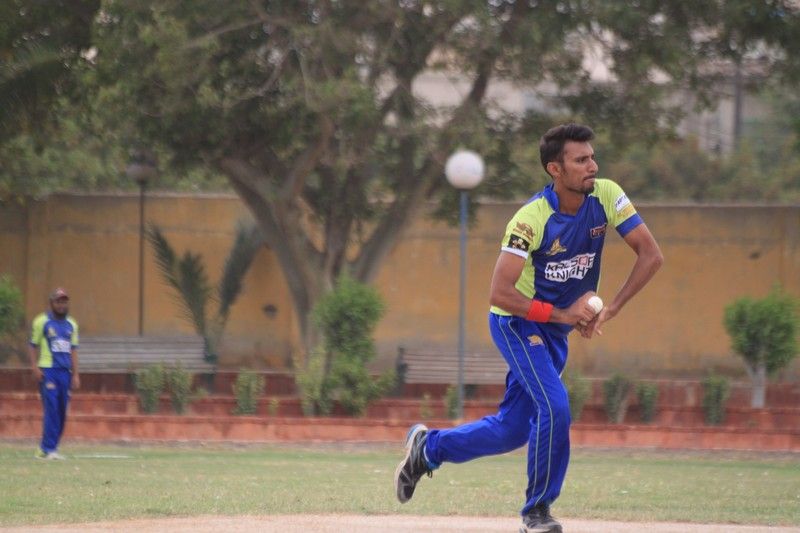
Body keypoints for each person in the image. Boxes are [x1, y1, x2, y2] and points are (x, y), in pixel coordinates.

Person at [394, 123, 663, 533]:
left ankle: (427, 449)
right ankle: (536, 513)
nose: (593, 166)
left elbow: (651, 255)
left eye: (592, 157)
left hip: (553, 330)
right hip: (516, 323)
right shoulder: (530, 219)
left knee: (511, 430)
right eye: (581, 160)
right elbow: (500, 293)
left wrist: (610, 309)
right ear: (555, 169)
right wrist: (564, 315)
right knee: (555, 407)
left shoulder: (607, 195)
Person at [29, 287, 80, 460]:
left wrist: (75, 374)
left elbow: (73, 350)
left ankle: (51, 448)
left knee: (61, 411)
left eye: (64, 302)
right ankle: (47, 448)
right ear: (52, 303)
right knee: (51, 408)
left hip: (65, 372)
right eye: (58, 301)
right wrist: (35, 368)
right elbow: (32, 345)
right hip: (48, 371)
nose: (61, 305)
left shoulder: (72, 324)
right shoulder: (41, 321)